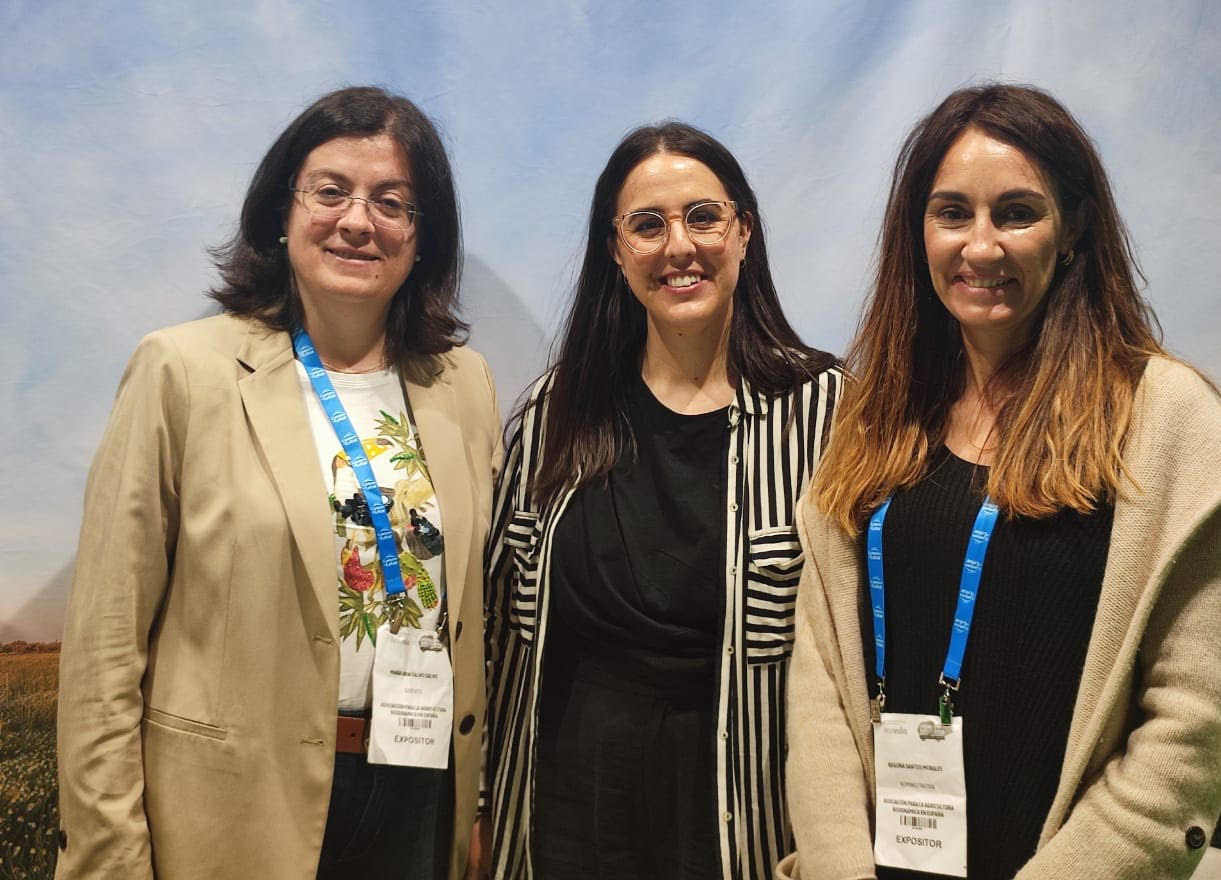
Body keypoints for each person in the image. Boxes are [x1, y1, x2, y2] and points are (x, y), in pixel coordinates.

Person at [779, 83, 1221, 880]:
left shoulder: (1158, 418)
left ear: (1073, 228)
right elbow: (823, 686)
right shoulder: (874, 415)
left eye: (1015, 212)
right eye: (952, 213)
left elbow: (1193, 725)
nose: (981, 246)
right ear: (918, 232)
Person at [56, 86, 501, 880]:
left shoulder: (463, 385)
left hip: (418, 798)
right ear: (281, 211)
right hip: (231, 810)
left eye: (393, 202)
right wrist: (106, 858)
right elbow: (104, 648)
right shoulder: (181, 371)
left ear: (422, 236)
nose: (358, 220)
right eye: (331, 191)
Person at [482, 122, 841, 880]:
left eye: (703, 217)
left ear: (743, 231)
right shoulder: (556, 412)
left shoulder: (828, 413)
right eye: (647, 225)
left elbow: (862, 646)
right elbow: (493, 630)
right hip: (567, 808)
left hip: (744, 811)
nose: (679, 246)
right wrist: (482, 802)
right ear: (616, 253)